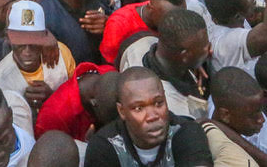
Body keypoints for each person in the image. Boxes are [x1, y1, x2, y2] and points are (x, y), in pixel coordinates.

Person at [83, 67, 213, 167]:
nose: (152, 116)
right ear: (122, 111)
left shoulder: (187, 132)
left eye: (158, 103)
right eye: (139, 108)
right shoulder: (105, 146)